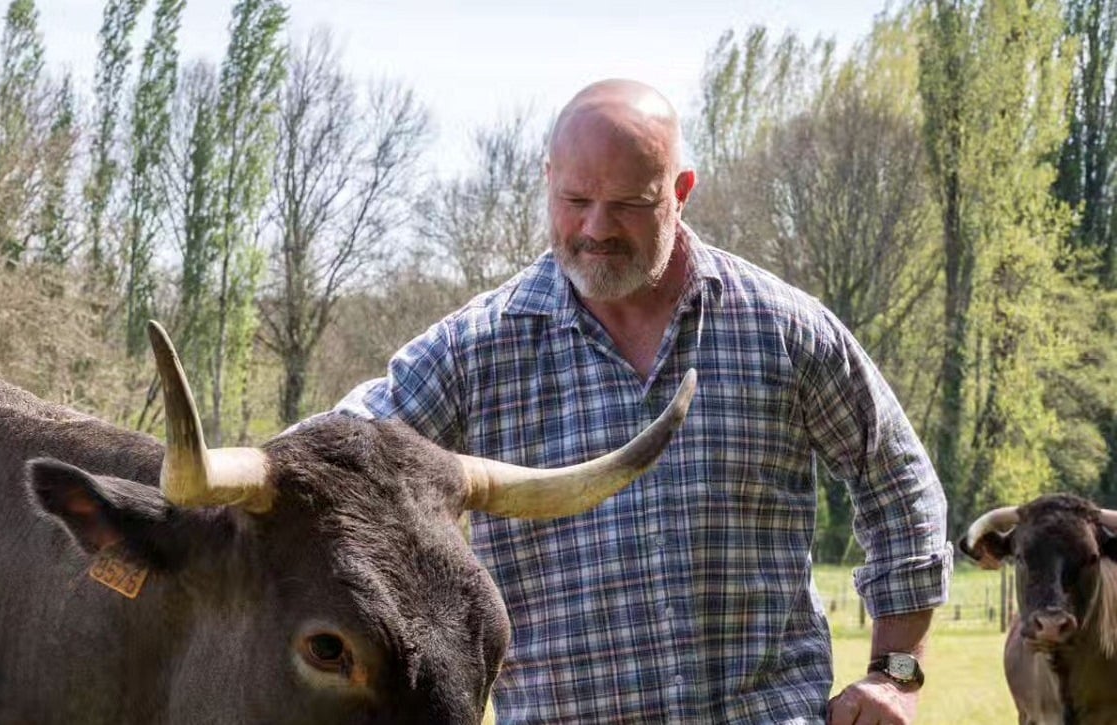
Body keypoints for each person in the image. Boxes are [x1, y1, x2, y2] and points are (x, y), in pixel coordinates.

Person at [326, 79, 952, 724]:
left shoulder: (781, 329)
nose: (596, 228)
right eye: (575, 199)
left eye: (628, 203)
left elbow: (899, 488)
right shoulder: (474, 354)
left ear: (680, 193)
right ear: (548, 179)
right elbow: (338, 458)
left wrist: (894, 675)